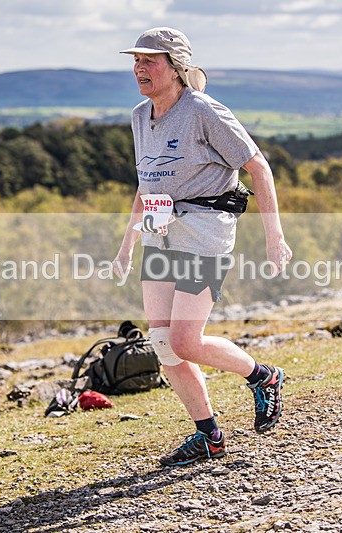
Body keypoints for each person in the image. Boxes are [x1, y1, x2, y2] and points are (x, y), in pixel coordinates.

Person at [114, 27, 293, 467]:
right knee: (161, 344)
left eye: (150, 60)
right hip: (159, 233)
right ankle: (208, 434)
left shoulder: (204, 110)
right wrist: (127, 243)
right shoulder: (140, 115)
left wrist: (275, 236)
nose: (140, 67)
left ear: (175, 68)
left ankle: (263, 376)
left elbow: (259, 169)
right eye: (136, 60)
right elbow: (147, 182)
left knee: (185, 340)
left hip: (204, 233)